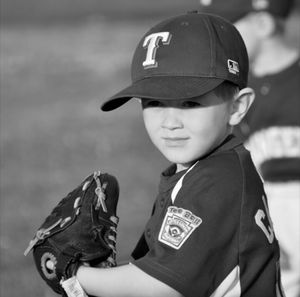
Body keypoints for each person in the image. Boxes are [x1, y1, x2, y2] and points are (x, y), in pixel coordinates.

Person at [73, 12, 285, 297]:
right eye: (155, 102)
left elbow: (162, 286)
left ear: (237, 107)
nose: (170, 122)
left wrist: (77, 276)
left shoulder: (216, 182)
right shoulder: (206, 169)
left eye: (189, 103)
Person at [198, 1, 300, 296]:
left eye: (226, 30)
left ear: (264, 24)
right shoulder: (232, 95)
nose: (217, 42)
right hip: (269, 237)